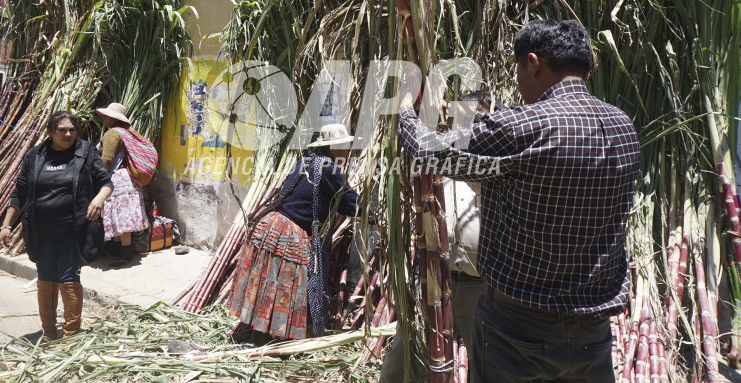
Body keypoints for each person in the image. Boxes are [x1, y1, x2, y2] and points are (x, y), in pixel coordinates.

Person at [398, 19, 640, 383]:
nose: (518, 82)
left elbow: (427, 152)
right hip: (593, 335)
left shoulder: (526, 125)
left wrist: (403, 107)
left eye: (517, 70)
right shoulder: (622, 127)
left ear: (533, 63)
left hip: (516, 333)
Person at [380, 92, 503, 382]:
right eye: (463, 118)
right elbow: (413, 156)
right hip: (435, 276)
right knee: (404, 352)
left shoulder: (498, 161)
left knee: (488, 360)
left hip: (479, 284)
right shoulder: (441, 161)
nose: (469, 126)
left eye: (477, 118)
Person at [229, 123, 361, 340]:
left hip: (269, 225)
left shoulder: (305, 162)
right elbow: (351, 203)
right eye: (345, 144)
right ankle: (262, 342)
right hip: (288, 234)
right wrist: (373, 216)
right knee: (281, 290)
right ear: (333, 147)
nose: (348, 149)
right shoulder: (329, 169)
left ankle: (250, 332)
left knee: (264, 284)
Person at [0, 111, 113, 340]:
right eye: (62, 129)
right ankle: (50, 333)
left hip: (72, 229)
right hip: (42, 230)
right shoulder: (35, 155)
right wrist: (6, 225)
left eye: (72, 129)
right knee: (45, 278)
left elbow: (105, 182)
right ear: (51, 131)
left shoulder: (85, 151)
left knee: (69, 278)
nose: (68, 134)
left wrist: (99, 198)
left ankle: (70, 334)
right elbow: (19, 191)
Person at [95, 103, 150, 268]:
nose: (104, 118)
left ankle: (125, 254)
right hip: (129, 179)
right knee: (125, 216)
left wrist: (97, 176)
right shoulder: (130, 133)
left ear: (113, 118)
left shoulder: (113, 133)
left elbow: (107, 160)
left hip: (117, 179)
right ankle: (121, 251)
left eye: (107, 116)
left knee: (121, 217)